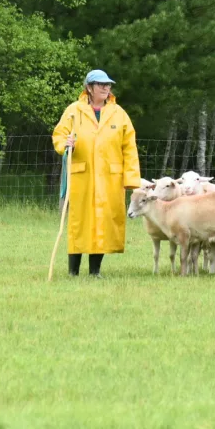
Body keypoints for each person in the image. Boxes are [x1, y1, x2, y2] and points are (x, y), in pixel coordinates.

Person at [51, 70, 142, 278]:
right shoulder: (73, 111)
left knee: (102, 222)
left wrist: (131, 179)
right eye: (100, 84)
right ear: (89, 88)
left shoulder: (119, 114)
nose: (105, 88)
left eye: (108, 85)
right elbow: (59, 135)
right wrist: (65, 144)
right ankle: (73, 272)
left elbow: (129, 147)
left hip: (110, 179)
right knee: (79, 223)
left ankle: (95, 272)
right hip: (81, 177)